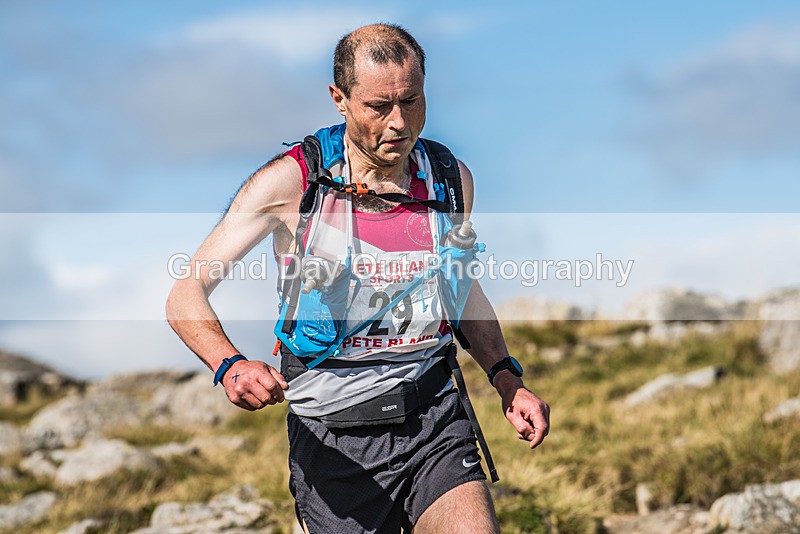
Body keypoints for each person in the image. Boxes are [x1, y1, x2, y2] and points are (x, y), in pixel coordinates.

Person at [166, 23, 550, 534]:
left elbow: (458, 291)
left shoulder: (450, 180)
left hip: (434, 419)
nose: (398, 123)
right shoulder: (292, 183)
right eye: (377, 107)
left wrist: (506, 379)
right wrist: (230, 365)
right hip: (333, 441)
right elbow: (184, 293)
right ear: (339, 99)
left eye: (411, 102)